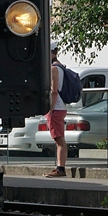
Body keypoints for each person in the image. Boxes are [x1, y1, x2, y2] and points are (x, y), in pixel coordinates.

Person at [43, 42, 69, 178]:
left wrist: (50, 109)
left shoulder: (53, 68)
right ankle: (59, 167)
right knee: (59, 139)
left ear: (52, 53)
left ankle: (60, 169)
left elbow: (54, 91)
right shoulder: (61, 67)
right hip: (61, 106)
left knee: (59, 140)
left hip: (56, 107)